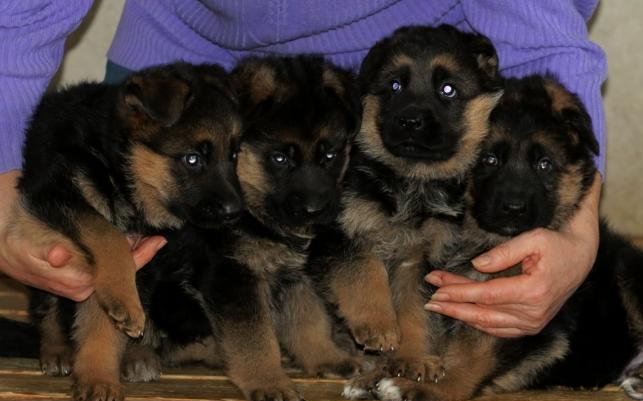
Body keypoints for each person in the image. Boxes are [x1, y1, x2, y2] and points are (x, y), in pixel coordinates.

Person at [0, 0, 606, 338]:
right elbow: (22, 15)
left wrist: (576, 232)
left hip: (384, 77)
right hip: (184, 58)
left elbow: (542, 35)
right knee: (123, 274)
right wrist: (3, 183)